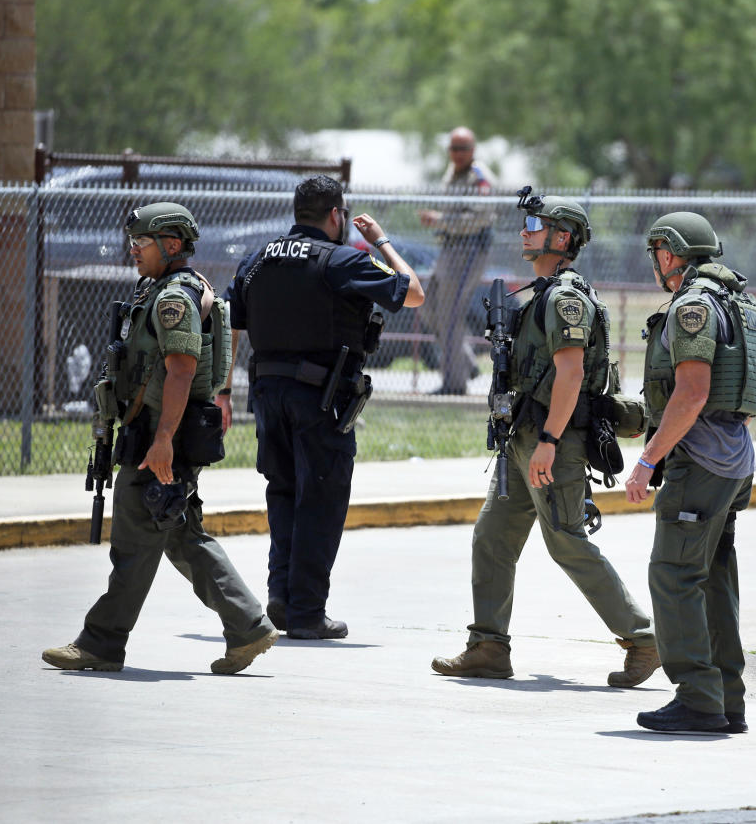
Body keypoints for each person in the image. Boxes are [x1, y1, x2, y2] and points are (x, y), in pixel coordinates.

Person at [432, 189, 659, 686]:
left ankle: (642, 639)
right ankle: (489, 646)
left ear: (561, 237)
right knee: (492, 538)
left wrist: (551, 441)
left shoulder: (565, 298)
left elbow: (571, 373)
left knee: (567, 544)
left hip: (551, 439)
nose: (524, 231)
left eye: (534, 224)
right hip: (523, 436)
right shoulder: (542, 291)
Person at [42, 202, 277, 675]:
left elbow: (181, 370)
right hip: (155, 434)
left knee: (134, 541)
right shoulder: (163, 289)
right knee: (181, 535)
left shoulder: (175, 298)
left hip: (159, 438)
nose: (132, 250)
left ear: (171, 245)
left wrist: (163, 439)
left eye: (141, 242)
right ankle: (248, 626)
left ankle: (102, 643)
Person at [221, 175, 424, 640]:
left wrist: (222, 391)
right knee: (321, 501)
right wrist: (382, 241)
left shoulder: (257, 261)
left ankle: (281, 598)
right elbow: (412, 292)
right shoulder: (341, 259)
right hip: (321, 400)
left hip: (267, 397)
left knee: (283, 494)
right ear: (336, 216)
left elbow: (229, 321)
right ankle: (308, 612)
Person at [625, 211, 756, 733]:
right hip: (735, 457)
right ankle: (727, 700)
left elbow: (691, 392)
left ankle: (697, 698)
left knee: (673, 575)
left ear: (669, 253)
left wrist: (646, 462)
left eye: (657, 254)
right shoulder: (740, 304)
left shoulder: (693, 305)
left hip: (702, 460)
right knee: (713, 579)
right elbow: (747, 394)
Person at [417, 126, 498, 394]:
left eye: (463, 148)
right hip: (449, 248)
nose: (458, 153)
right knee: (427, 305)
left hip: (469, 249)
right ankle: (465, 362)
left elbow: (480, 217)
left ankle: (454, 384)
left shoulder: (479, 176)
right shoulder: (451, 172)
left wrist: (440, 220)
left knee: (450, 314)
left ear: (473, 150)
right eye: (454, 148)